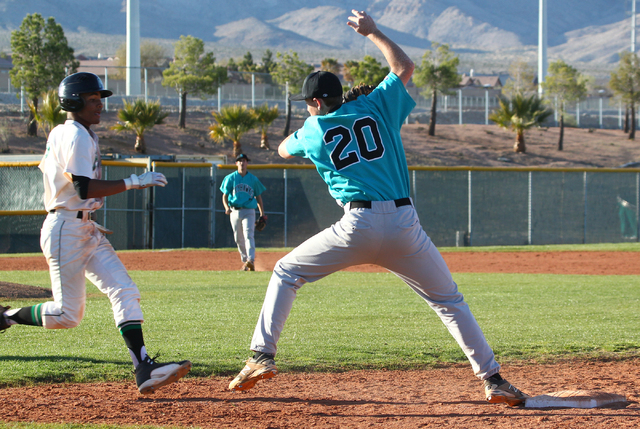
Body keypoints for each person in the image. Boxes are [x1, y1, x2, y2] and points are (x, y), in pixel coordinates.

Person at [228, 10, 529, 406]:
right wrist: (372, 33)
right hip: (405, 225)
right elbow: (404, 66)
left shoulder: (311, 130)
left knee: (285, 272)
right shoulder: (376, 105)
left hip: (357, 225)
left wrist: (320, 116)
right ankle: (493, 379)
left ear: (316, 102)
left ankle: (261, 356)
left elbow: (284, 147)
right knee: (449, 301)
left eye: (310, 102)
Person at [0, 72, 191, 394]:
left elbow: (81, 190)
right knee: (67, 315)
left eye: (100, 99)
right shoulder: (74, 134)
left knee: (125, 291)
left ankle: (143, 367)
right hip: (66, 229)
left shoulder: (76, 132)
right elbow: (83, 187)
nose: (100, 105)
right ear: (73, 102)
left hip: (83, 226)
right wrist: (134, 181)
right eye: (92, 100)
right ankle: (6, 316)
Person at [220, 153, 266, 271]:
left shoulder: (253, 179)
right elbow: (224, 196)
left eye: (244, 160)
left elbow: (258, 197)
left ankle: (251, 260)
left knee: (248, 234)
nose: (242, 163)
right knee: (238, 238)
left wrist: (262, 213)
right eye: (240, 161)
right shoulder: (231, 178)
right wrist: (226, 207)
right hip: (234, 211)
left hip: (249, 210)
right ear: (236, 163)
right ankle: (246, 261)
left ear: (247, 163)